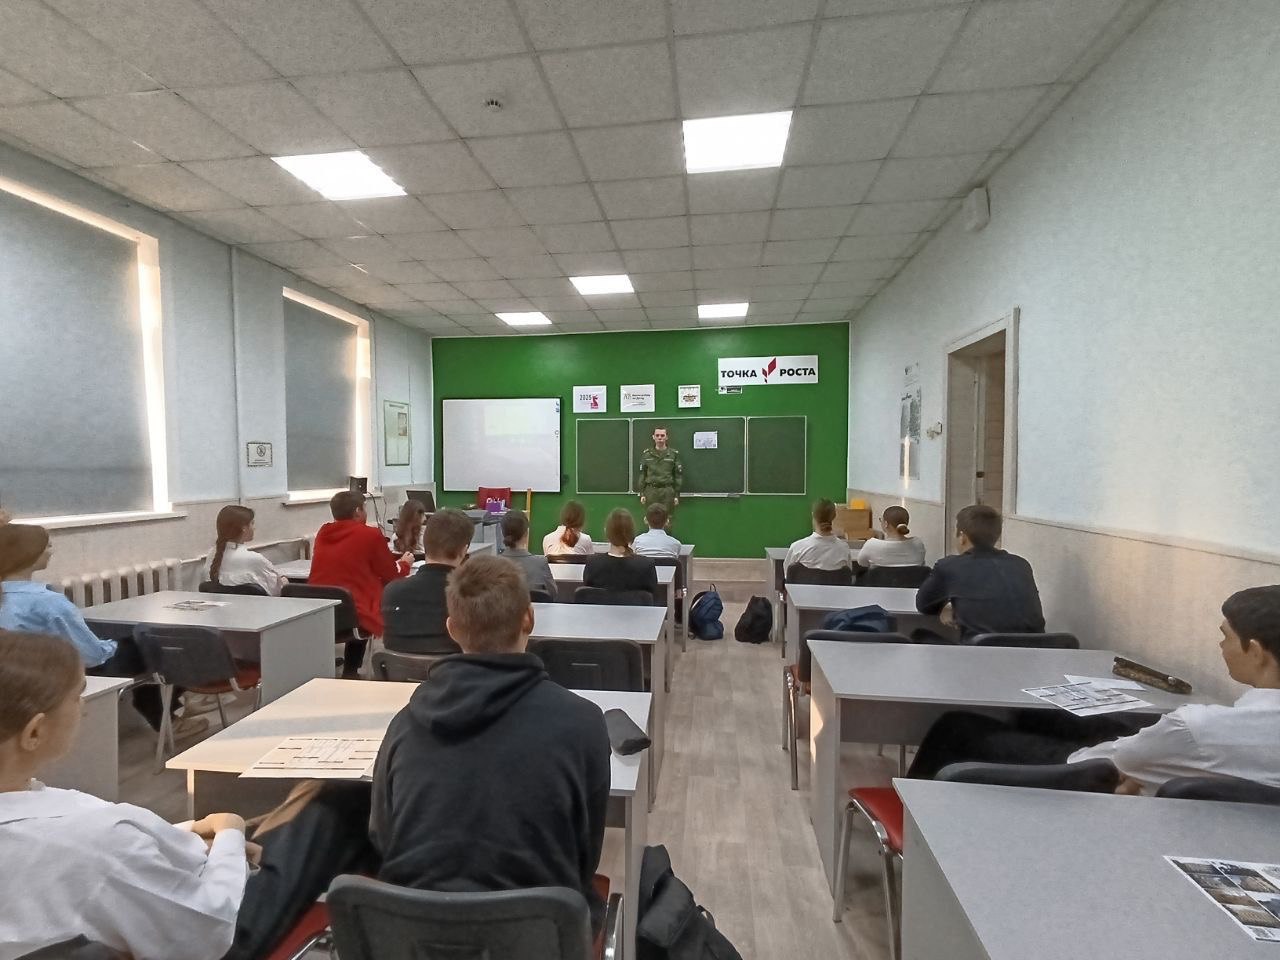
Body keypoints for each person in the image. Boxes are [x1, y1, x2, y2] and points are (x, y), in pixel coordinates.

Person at [0, 630, 377, 959]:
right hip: (219, 932)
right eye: (76, 697)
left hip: (161, 891)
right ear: (34, 732)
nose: (83, 709)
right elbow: (207, 926)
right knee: (338, 802)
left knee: (304, 805)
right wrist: (229, 831)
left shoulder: (53, 824)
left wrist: (187, 833)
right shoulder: (93, 841)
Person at [370, 555, 611, 926]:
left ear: (451, 628)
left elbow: (383, 835)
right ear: (529, 618)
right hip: (540, 936)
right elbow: (585, 853)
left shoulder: (405, 723)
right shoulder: (584, 722)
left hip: (415, 935)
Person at [907, 586, 1280, 795]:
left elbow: (1109, 761)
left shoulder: (1199, 727)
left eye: (1225, 636)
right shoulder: (1209, 725)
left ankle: (917, 821)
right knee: (1039, 715)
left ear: (1257, 652)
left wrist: (1126, 769)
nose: (1220, 646)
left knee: (957, 725)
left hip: (1083, 774)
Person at [0, 524, 202, 738]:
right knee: (153, 646)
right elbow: (92, 657)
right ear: (30, 555)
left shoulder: (17, 598)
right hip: (65, 671)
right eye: (47, 546)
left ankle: (176, 706)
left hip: (19, 672)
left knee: (132, 642)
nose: (51, 551)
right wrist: (111, 644)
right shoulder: (48, 602)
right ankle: (169, 714)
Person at [309, 491, 412, 672]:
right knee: (367, 602)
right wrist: (405, 564)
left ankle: (348, 669)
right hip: (355, 613)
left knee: (352, 602)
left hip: (320, 610)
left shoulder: (323, 533)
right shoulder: (370, 534)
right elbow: (390, 574)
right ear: (358, 511)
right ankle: (352, 669)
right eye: (365, 508)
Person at [915, 504, 1043, 640]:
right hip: (1037, 647)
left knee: (919, 635)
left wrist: (948, 607)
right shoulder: (1021, 564)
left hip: (981, 649)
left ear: (962, 537)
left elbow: (924, 605)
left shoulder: (949, 566)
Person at [381, 509, 475, 656]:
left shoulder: (391, 592)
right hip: (455, 669)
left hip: (397, 670)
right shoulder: (474, 596)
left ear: (425, 543)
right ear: (464, 550)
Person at [201, 505, 287, 597]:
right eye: (252, 523)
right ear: (244, 528)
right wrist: (284, 581)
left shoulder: (212, 555)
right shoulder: (255, 559)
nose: (254, 528)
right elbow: (276, 591)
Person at [583, 508, 658, 599]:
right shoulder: (646, 565)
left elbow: (587, 595)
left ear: (606, 532)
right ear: (632, 533)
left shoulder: (593, 563)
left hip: (601, 608)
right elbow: (653, 597)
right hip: (634, 608)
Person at [499, 510, 557, 600]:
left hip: (503, 609)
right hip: (534, 608)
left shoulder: (492, 565)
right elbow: (553, 593)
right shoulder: (540, 563)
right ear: (526, 533)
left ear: (503, 533)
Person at [783, 499, 852, 573]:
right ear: (834, 516)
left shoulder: (797, 548)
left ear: (813, 515)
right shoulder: (844, 549)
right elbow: (848, 575)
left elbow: (788, 575)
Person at [856, 505, 926, 569]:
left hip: (880, 579)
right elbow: (922, 564)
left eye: (881, 520)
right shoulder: (918, 544)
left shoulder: (872, 545)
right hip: (912, 579)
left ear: (886, 524)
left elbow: (862, 563)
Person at [638, 427, 683, 520]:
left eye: (662, 435)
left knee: (667, 519)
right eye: (657, 435)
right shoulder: (647, 454)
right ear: (653, 437)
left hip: (667, 491)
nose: (660, 438)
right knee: (651, 519)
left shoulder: (673, 454)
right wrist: (642, 493)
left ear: (667, 437)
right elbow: (642, 475)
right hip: (651, 491)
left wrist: (676, 495)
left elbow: (678, 476)